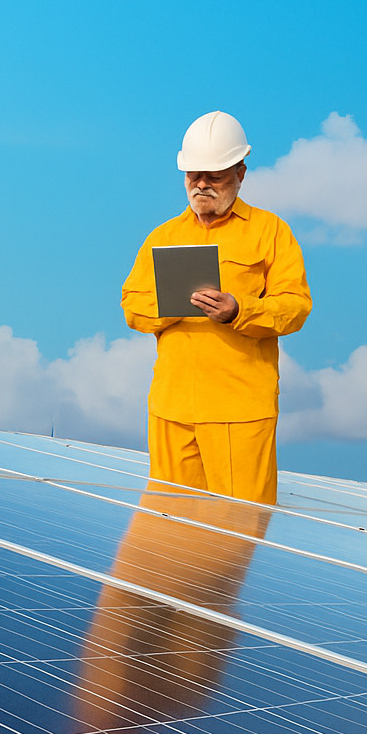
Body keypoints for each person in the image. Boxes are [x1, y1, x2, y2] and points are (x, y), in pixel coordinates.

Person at [120, 111, 311, 504]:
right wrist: (174, 306)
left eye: (215, 175)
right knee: (170, 533)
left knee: (239, 531)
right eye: (193, 176)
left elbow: (295, 307)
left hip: (239, 413)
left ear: (240, 173)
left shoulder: (270, 231)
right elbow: (132, 305)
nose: (202, 184)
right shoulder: (163, 236)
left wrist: (239, 311)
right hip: (171, 410)